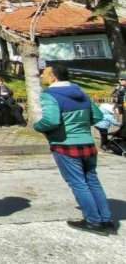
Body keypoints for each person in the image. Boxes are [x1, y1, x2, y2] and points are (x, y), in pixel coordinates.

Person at [34, 65, 114, 235]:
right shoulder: (80, 92)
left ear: (53, 77)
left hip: (65, 144)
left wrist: (37, 126)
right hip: (87, 143)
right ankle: (105, 219)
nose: (42, 75)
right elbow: (98, 116)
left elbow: (51, 121)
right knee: (92, 180)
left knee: (78, 183)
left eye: (45, 73)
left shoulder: (50, 95)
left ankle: (93, 221)